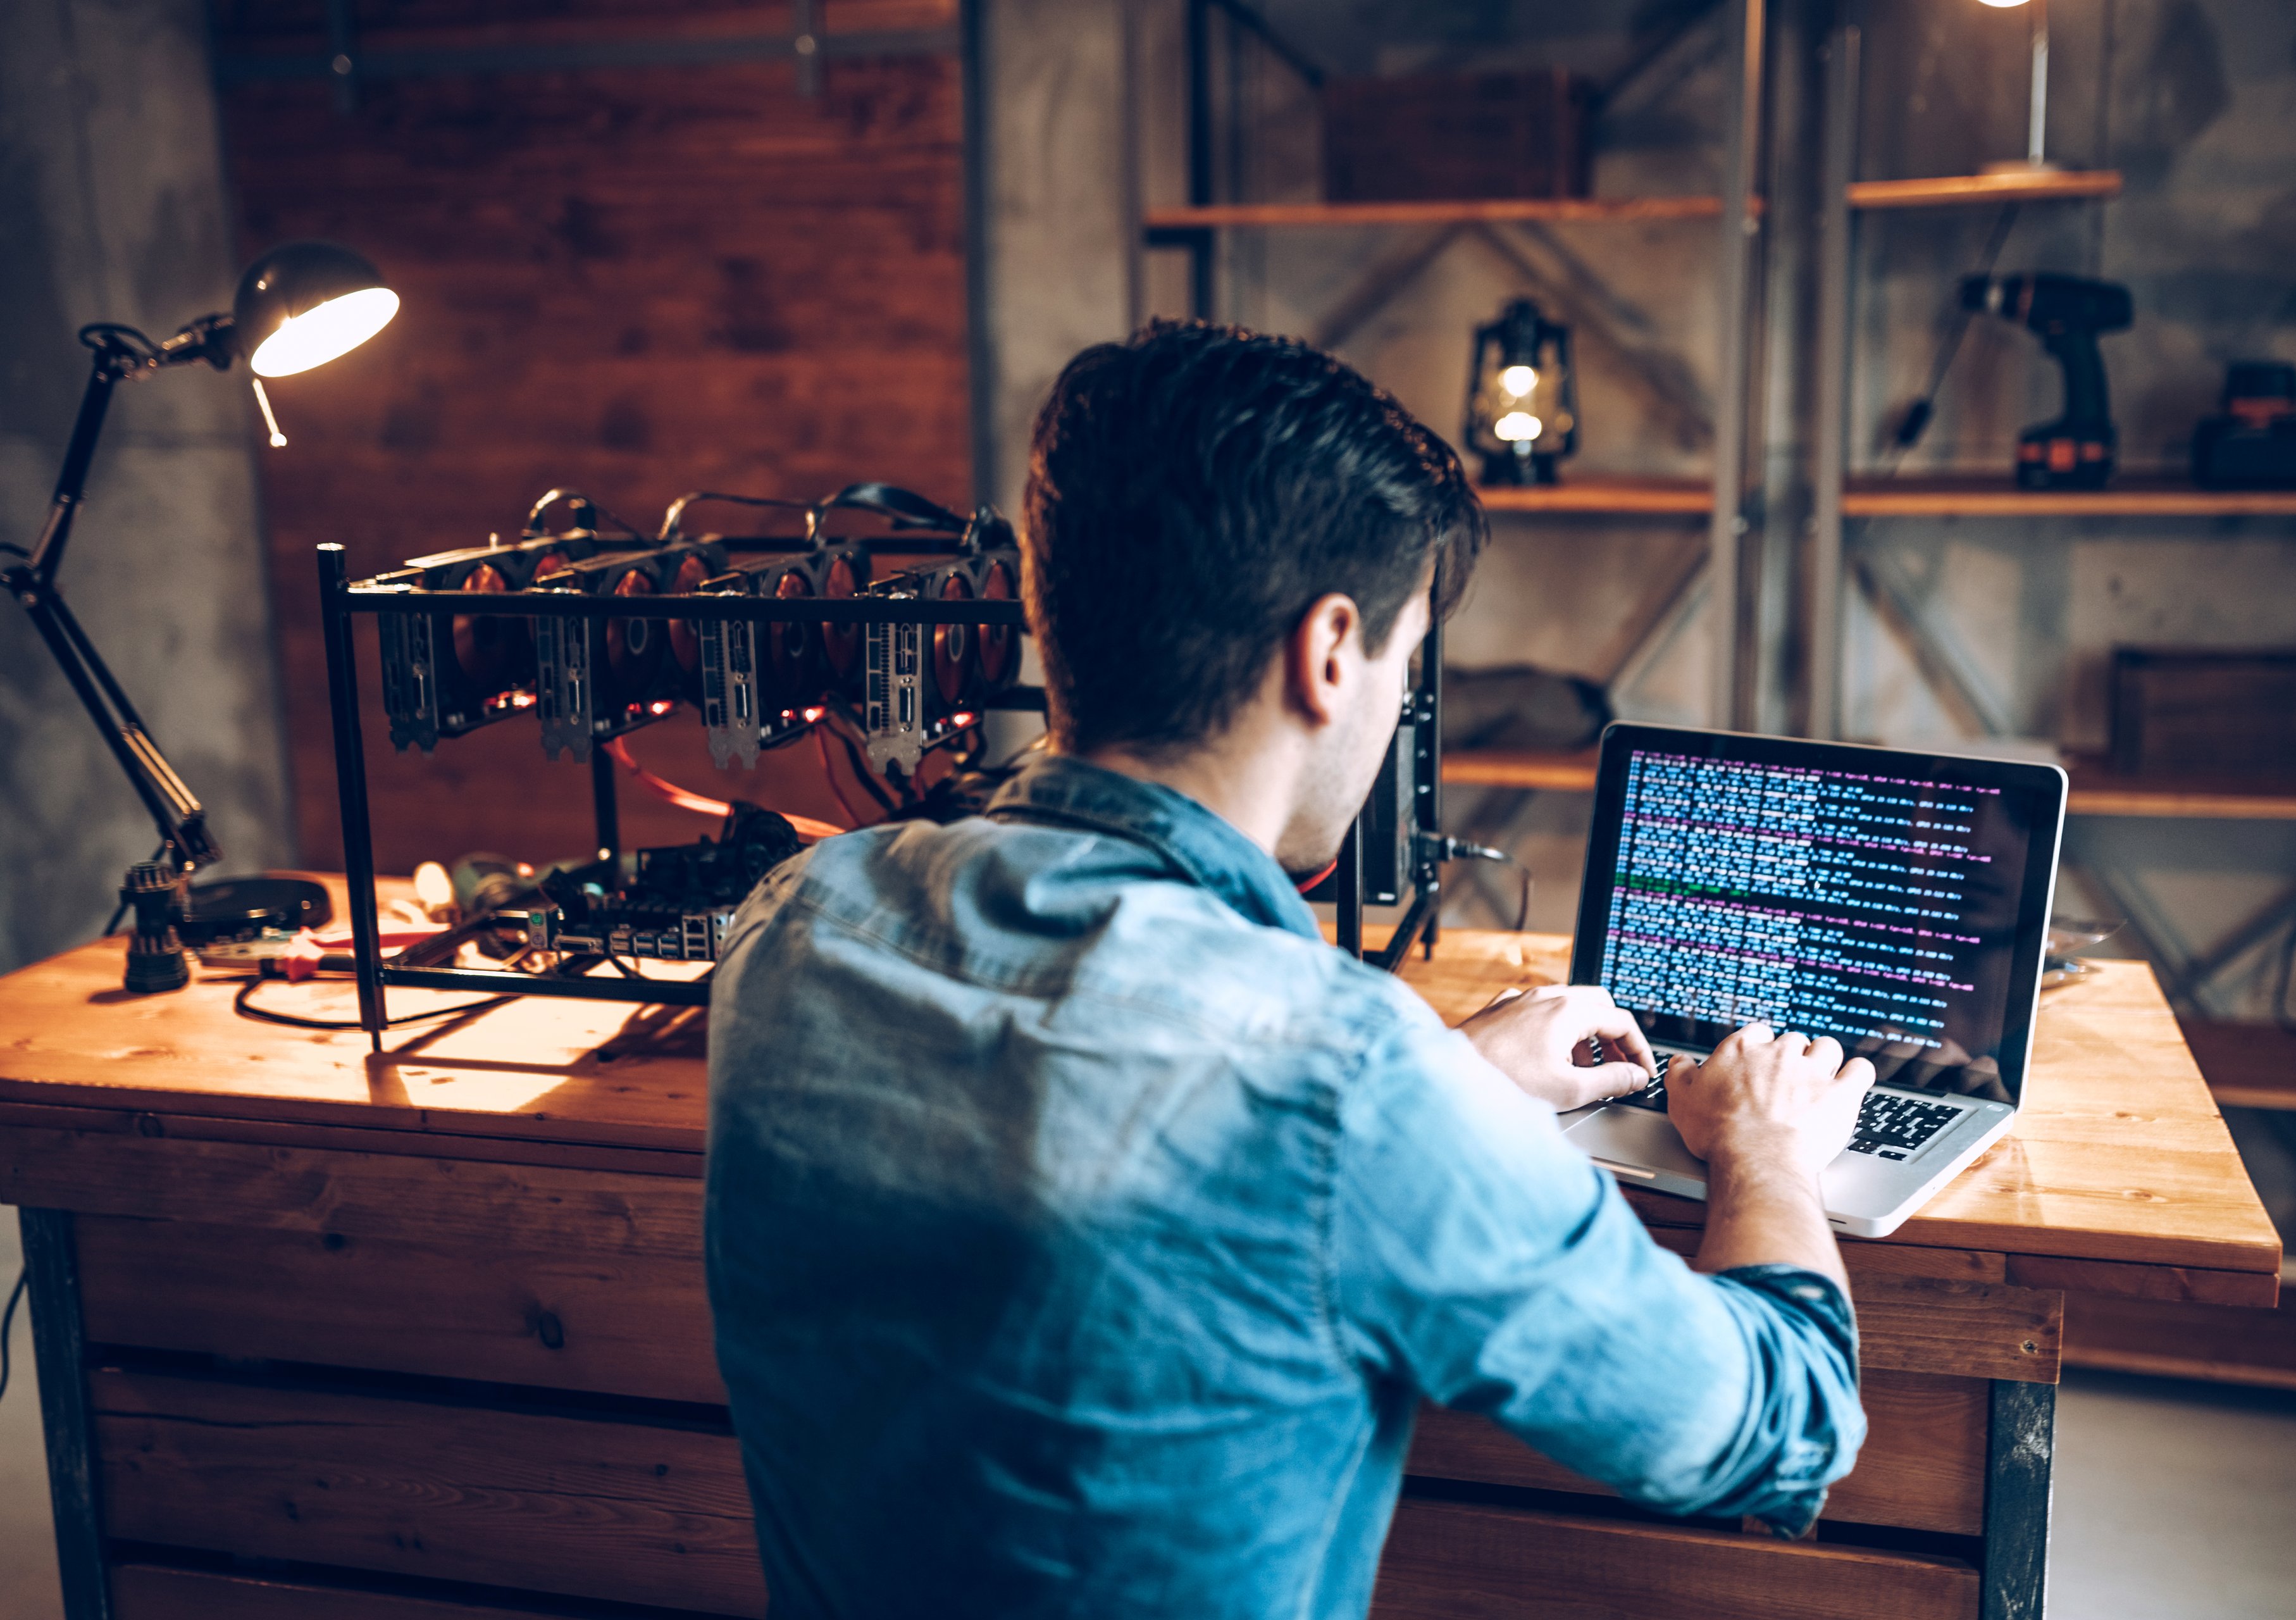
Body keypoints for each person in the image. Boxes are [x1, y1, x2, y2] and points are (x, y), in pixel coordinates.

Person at [705, 321, 1874, 1620]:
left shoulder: (793, 930)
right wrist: (1766, 1146)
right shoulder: (1342, 1077)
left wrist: (1444, 1075)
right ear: (1329, 654)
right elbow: (1781, 1433)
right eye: (1406, 654)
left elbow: (1125, 1107)